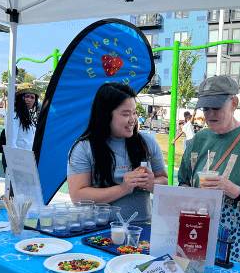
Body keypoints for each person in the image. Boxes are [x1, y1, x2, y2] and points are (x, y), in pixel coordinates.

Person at [178, 75, 240, 273]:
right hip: (198, 234)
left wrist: (232, 189)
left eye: (216, 107)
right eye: (206, 108)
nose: (210, 114)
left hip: (239, 244)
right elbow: (184, 181)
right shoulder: (199, 140)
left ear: (234, 103)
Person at [67, 83, 168, 223]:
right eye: (126, 114)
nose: (132, 119)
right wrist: (123, 188)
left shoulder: (147, 142)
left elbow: (164, 181)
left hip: (141, 228)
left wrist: (152, 183)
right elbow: (78, 196)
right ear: (105, 115)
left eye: (134, 112)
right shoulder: (84, 148)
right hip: (98, 230)